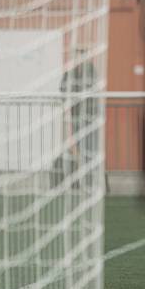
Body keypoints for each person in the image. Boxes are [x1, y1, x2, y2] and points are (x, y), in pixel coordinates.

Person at [59, 45, 99, 189]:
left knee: (91, 148)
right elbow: (62, 88)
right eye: (78, 53)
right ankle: (76, 181)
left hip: (90, 116)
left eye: (83, 53)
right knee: (78, 148)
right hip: (76, 115)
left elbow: (95, 88)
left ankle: (90, 182)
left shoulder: (92, 70)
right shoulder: (70, 71)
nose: (81, 56)